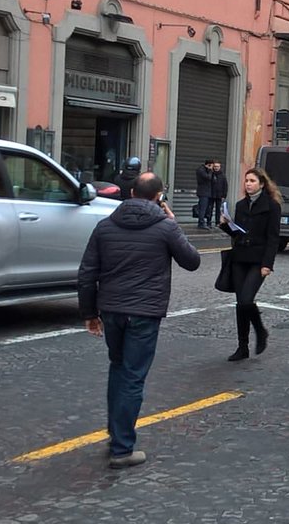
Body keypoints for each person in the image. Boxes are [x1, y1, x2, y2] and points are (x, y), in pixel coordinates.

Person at [78, 172, 201, 469]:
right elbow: (192, 261)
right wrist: (173, 222)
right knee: (133, 376)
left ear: (131, 193)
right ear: (159, 196)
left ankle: (115, 433)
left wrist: (89, 314)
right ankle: (122, 448)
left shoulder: (105, 226)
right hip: (144, 312)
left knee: (118, 369)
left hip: (111, 310)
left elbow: (87, 274)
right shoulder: (165, 227)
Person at [219, 167, 282, 361]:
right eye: (246, 181)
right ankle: (242, 346)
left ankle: (261, 331)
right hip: (239, 258)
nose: (248, 184)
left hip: (258, 259)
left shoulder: (272, 206)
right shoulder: (240, 205)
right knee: (241, 304)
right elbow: (238, 233)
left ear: (261, 184)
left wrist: (267, 264)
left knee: (246, 299)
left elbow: (273, 238)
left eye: (252, 181)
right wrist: (225, 225)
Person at [195, 160, 214, 229]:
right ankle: (201, 223)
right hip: (203, 192)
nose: (212, 168)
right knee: (203, 208)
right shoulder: (201, 170)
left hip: (205, 192)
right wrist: (210, 171)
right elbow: (208, 177)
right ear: (208, 165)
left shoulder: (203, 170)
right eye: (211, 166)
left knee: (204, 208)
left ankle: (202, 222)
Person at [209, 160, 228, 229]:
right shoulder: (211, 174)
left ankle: (217, 222)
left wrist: (224, 195)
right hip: (211, 195)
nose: (216, 168)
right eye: (215, 166)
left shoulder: (222, 176)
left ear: (220, 167)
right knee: (209, 209)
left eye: (217, 166)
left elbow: (225, 186)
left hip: (219, 195)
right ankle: (209, 222)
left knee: (218, 210)